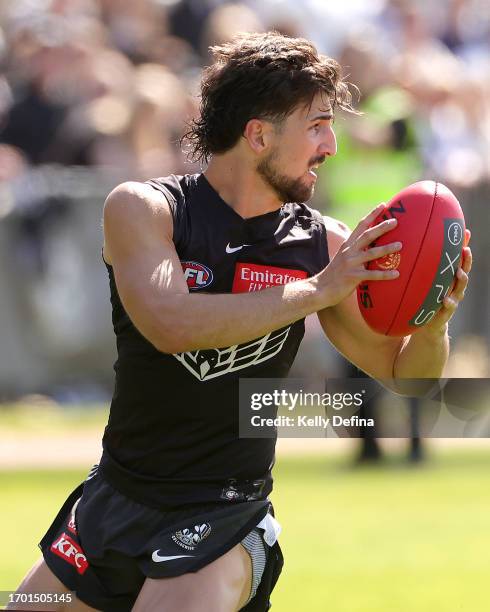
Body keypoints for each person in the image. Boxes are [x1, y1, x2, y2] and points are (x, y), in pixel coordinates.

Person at [10, 31, 471, 612]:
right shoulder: (145, 209)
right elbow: (170, 322)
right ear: (258, 135)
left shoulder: (322, 243)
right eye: (317, 125)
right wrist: (316, 290)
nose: (332, 144)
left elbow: (409, 379)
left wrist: (432, 323)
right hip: (113, 500)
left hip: (223, 515)